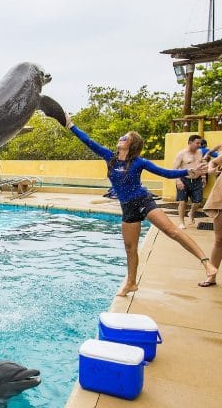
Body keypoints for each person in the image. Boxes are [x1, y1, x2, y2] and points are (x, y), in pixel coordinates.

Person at [64, 115, 215, 296]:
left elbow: (165, 173)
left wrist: (189, 171)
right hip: (127, 207)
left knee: (172, 231)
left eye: (125, 137)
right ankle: (131, 283)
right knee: (130, 248)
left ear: (132, 144)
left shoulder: (139, 162)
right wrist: (70, 124)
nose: (121, 138)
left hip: (143, 201)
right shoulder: (109, 157)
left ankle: (206, 263)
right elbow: (88, 141)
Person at [172, 135, 204, 228]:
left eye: (200, 143)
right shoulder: (181, 154)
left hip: (197, 180)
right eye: (197, 143)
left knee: (198, 202)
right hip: (183, 179)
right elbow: (174, 169)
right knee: (182, 202)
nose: (199, 145)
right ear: (190, 143)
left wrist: (203, 177)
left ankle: (191, 213)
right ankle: (181, 222)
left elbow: (200, 166)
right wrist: (178, 180)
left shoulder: (200, 153)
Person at [200, 153, 222, 287]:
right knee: (219, 239)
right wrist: (211, 170)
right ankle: (211, 276)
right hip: (220, 197)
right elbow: (213, 163)